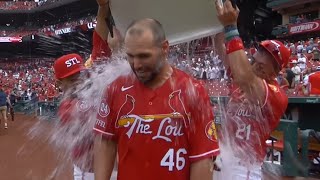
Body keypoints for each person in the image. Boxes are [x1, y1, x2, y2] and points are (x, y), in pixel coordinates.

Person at [93, 18, 219, 180]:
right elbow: (105, 140)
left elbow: (203, 157)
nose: (136, 64)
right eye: (130, 56)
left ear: (164, 48)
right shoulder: (115, 89)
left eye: (144, 56)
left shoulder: (192, 91)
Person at [215, 0, 289, 179]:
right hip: (222, 158)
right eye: (261, 53)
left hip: (244, 167)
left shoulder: (275, 93)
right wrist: (216, 25)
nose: (261, 61)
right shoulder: (245, 78)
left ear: (277, 70)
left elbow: (244, 77)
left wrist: (231, 27)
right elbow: (220, 49)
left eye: (270, 59)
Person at [53, 53, 94, 180]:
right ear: (59, 83)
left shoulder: (88, 94)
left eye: (80, 75)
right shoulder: (66, 107)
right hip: (89, 173)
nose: (79, 81)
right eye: (72, 79)